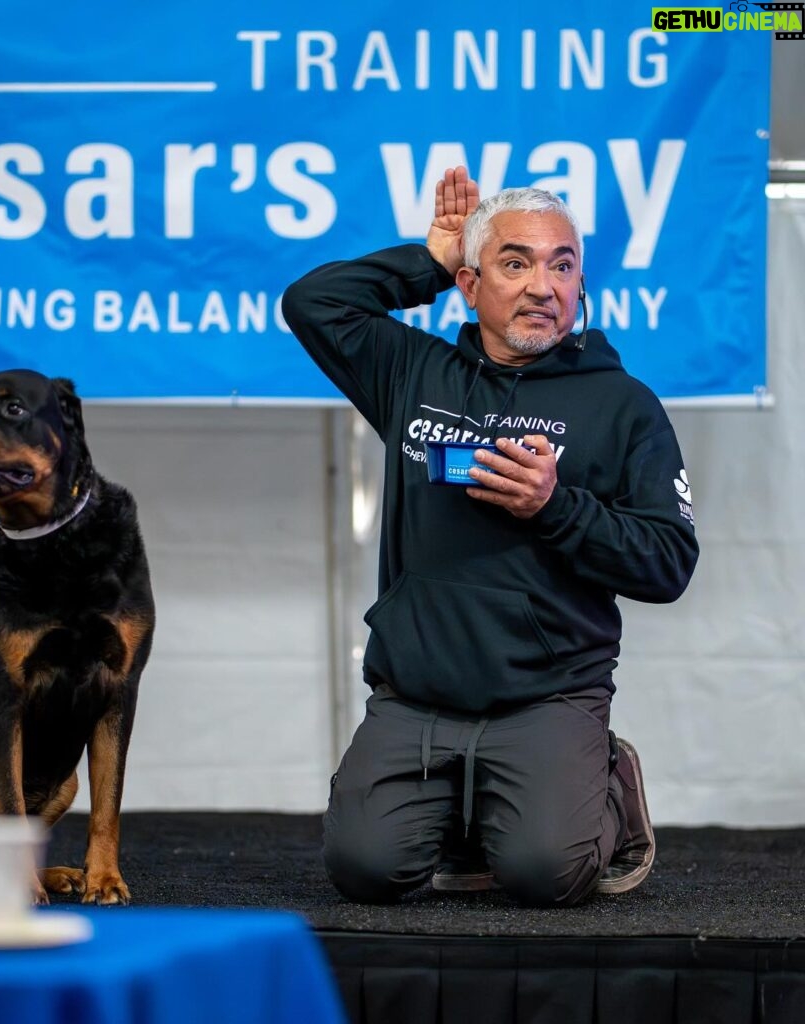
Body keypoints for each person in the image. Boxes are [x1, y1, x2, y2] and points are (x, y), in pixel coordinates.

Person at [280, 167, 699, 906]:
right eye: (516, 262)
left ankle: (606, 786)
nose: (544, 285)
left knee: (547, 874)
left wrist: (554, 506)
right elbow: (312, 303)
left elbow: (668, 563)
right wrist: (431, 261)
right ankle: (468, 815)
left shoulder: (624, 406)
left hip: (549, 697)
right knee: (367, 871)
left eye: (562, 265)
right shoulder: (414, 372)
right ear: (471, 288)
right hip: (416, 696)